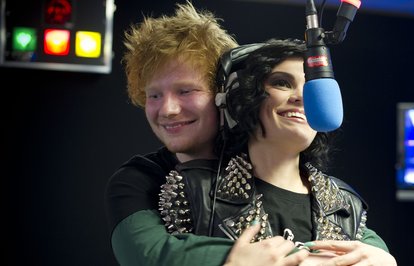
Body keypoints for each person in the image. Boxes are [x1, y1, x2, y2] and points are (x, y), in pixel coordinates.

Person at [158, 38, 397, 265]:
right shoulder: (193, 188)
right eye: (282, 83)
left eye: (312, 89)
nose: (302, 97)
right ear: (241, 98)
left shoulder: (346, 204)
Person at [105, 2, 308, 265]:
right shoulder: (136, 180)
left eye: (186, 91)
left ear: (228, 95)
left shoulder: (267, 162)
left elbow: (341, 216)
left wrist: (378, 254)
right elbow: (148, 254)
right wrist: (238, 258)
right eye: (154, 95)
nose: (167, 109)